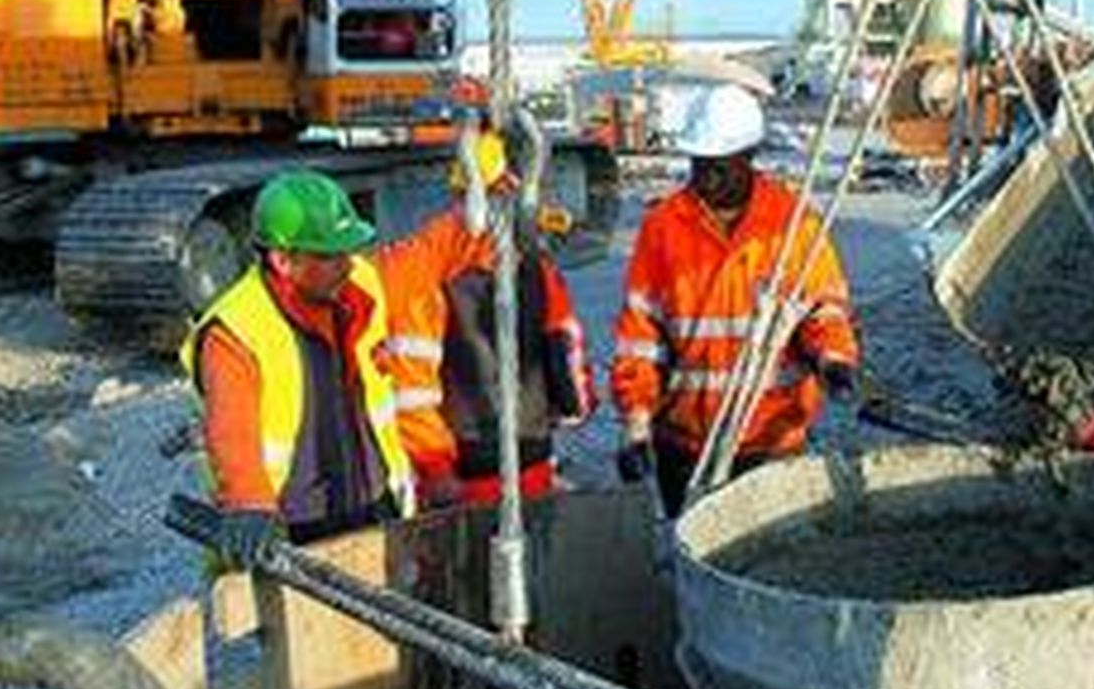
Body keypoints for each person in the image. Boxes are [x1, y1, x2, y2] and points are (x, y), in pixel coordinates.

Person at [611, 83, 861, 518]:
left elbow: (824, 308)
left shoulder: (792, 224)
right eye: (699, 165)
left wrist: (833, 357)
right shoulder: (663, 227)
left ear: (749, 158)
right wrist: (636, 423)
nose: (706, 179)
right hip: (685, 443)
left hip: (773, 441)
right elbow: (640, 337)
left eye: (720, 168)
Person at [180, 170, 415, 563]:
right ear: (283, 261)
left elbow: (423, 259)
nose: (347, 264)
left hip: (371, 505)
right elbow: (230, 432)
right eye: (330, 254)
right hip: (295, 529)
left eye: (348, 249)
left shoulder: (356, 286)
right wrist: (250, 502)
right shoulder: (237, 331)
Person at [377, 129, 596, 509]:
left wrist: (575, 401)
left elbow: (564, 345)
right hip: (469, 471)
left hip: (524, 455)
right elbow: (411, 386)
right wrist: (437, 470)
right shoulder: (433, 271)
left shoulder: (527, 262)